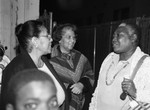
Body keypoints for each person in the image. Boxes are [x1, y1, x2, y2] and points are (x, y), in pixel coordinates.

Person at [0, 20, 68, 110]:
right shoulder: (16, 68)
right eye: (47, 36)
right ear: (35, 41)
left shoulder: (45, 62)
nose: (51, 39)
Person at [89, 22, 150, 110]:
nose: (113, 39)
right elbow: (98, 91)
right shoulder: (109, 58)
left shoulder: (146, 63)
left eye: (118, 35)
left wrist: (136, 93)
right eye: (113, 36)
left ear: (133, 38)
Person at [50, 23, 95, 110]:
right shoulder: (50, 59)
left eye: (74, 37)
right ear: (59, 39)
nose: (72, 40)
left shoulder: (80, 57)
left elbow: (90, 74)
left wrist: (82, 84)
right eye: (68, 37)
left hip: (80, 105)